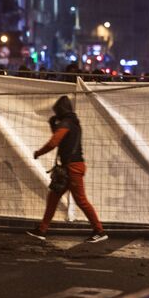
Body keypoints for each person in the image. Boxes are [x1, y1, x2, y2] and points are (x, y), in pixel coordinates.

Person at [27, 96, 108, 243]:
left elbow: (54, 142)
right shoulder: (73, 122)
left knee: (81, 200)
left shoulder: (66, 122)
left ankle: (99, 231)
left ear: (60, 110)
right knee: (53, 197)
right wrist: (54, 126)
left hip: (72, 168)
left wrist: (38, 153)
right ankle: (42, 230)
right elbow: (62, 140)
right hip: (70, 167)